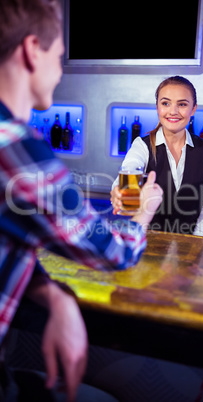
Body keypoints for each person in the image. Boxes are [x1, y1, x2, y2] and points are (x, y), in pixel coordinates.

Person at [0, 0, 163, 401]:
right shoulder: (19, 149)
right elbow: (114, 253)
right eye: (59, 57)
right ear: (31, 49)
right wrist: (143, 212)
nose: (60, 73)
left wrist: (55, 294)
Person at [111, 76, 203, 236]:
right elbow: (130, 168)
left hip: (190, 248)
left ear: (193, 109)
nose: (173, 111)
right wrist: (119, 189)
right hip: (147, 247)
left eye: (182, 104)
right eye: (165, 103)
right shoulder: (142, 146)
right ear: (157, 107)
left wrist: (197, 239)